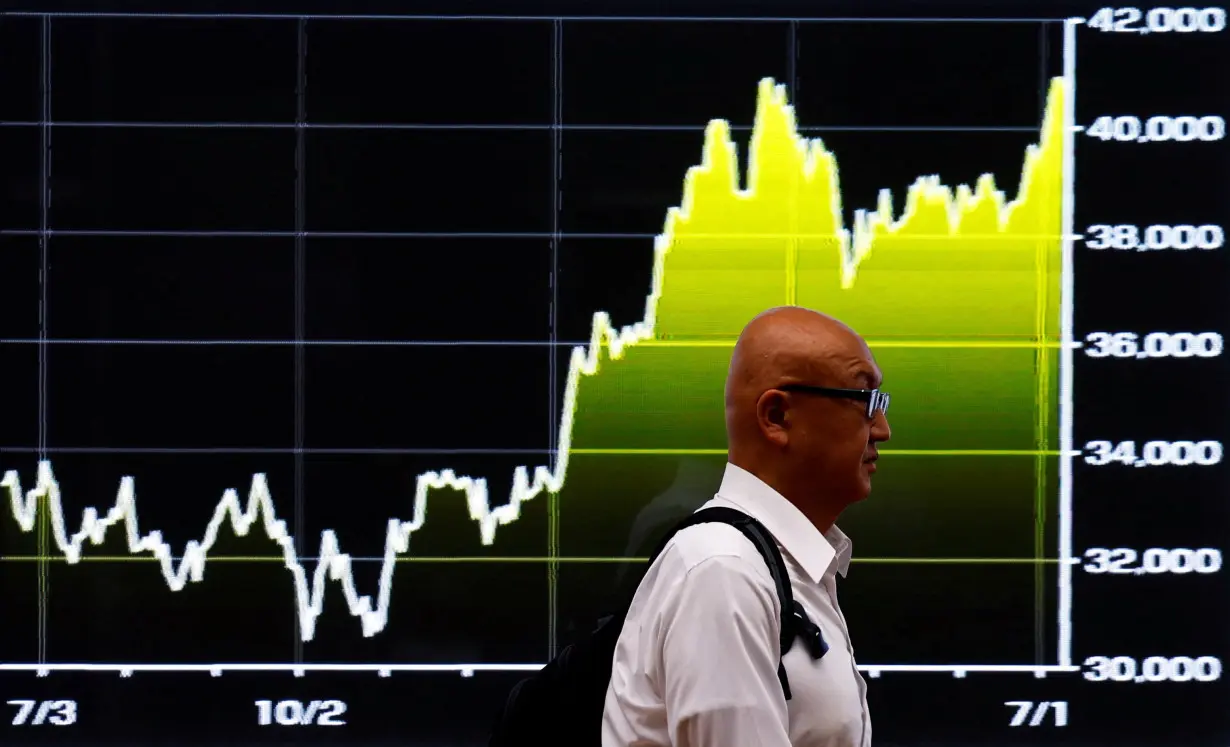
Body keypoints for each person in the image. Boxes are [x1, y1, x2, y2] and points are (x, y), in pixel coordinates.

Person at [601, 305, 892, 747]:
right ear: (776, 417)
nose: (883, 429)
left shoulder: (771, 565)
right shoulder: (725, 572)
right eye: (864, 401)